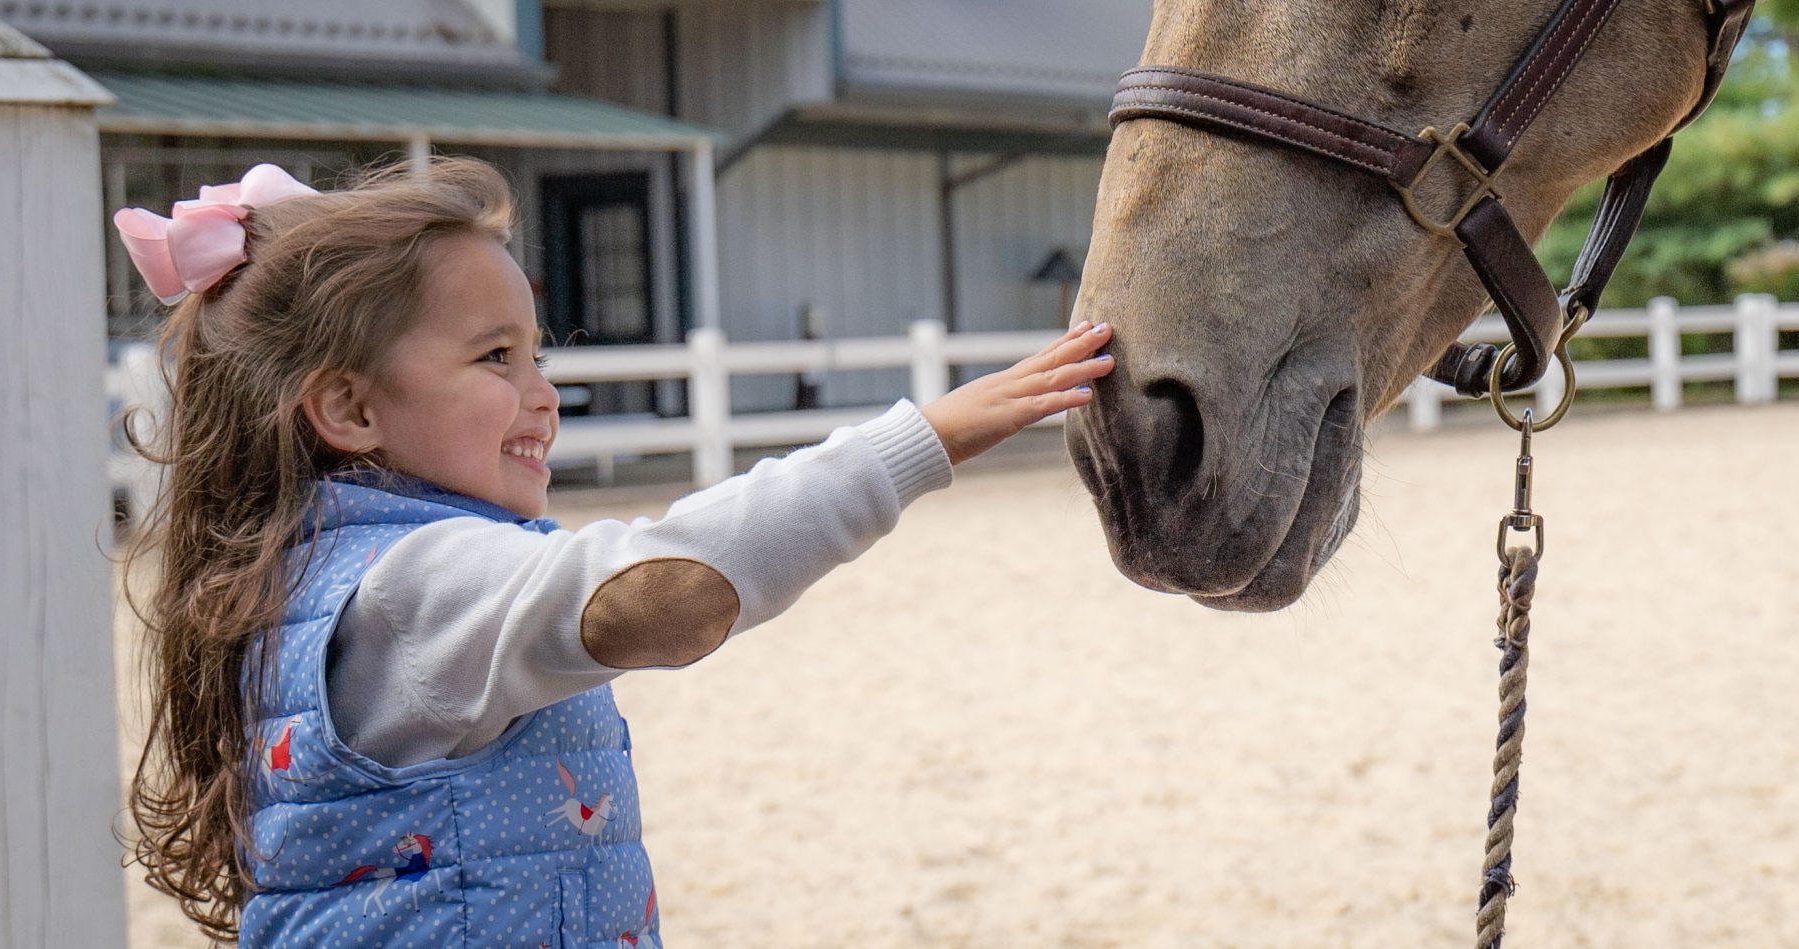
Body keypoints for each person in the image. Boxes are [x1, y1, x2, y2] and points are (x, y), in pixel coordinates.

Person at [118, 158, 1113, 947]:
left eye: (536, 351)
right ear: (348, 407)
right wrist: (920, 443)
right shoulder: (415, 589)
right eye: (493, 357)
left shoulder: (314, 570)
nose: (542, 392)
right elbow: (659, 593)